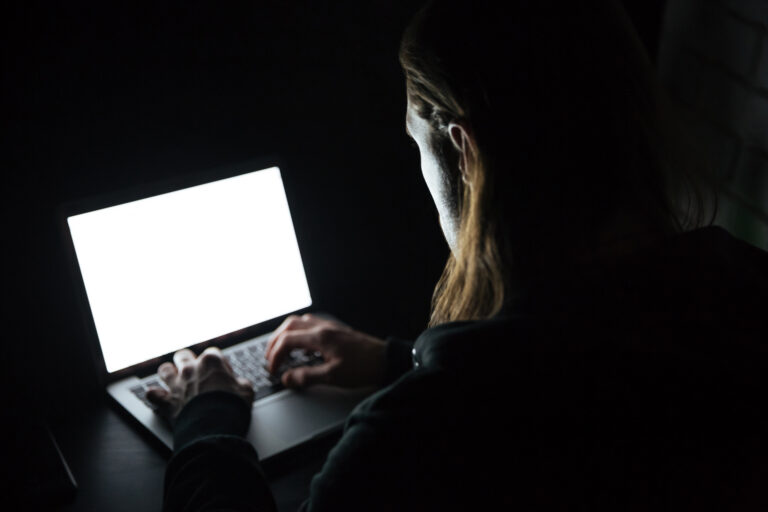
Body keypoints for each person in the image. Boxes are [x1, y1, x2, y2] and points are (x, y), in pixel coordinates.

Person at [148, 0, 768, 509]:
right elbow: (579, 363)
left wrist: (206, 421)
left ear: (465, 154)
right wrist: (399, 360)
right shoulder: (745, 294)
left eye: (416, 146)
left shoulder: (423, 437)